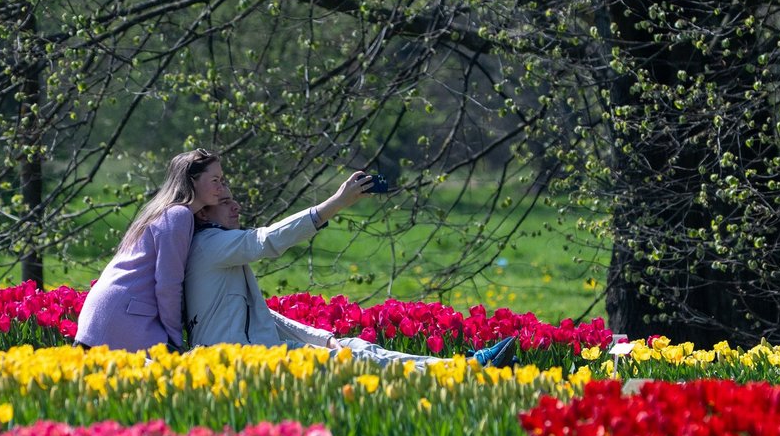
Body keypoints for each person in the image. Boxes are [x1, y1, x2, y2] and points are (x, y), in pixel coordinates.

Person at [184, 176, 517, 368]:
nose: (236, 205)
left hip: (252, 354)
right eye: (224, 201)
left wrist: (324, 338)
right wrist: (337, 202)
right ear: (203, 214)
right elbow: (268, 240)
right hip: (239, 362)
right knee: (353, 360)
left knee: (355, 348)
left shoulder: (222, 249)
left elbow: (265, 315)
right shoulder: (210, 245)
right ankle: (461, 371)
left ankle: (461, 369)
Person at [75, 148, 226, 352]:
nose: (221, 186)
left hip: (109, 310)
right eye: (215, 180)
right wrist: (175, 339)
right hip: (124, 315)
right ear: (192, 181)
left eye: (221, 180)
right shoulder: (178, 215)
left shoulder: (166, 211)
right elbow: (168, 284)